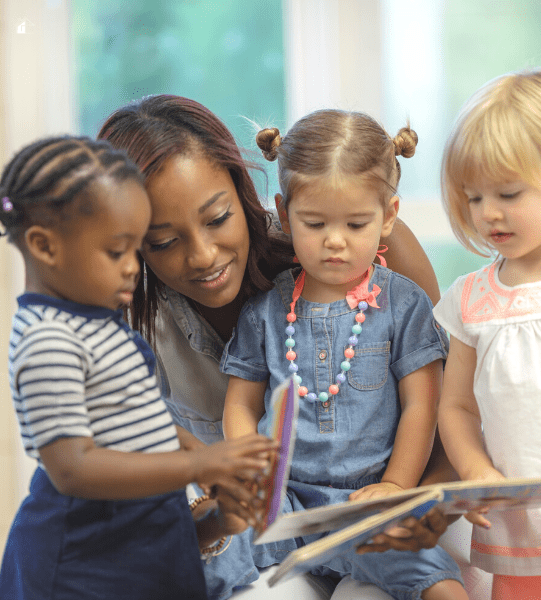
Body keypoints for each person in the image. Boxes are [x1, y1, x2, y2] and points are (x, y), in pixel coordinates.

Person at [97, 95, 486, 600]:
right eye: (164, 242)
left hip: (392, 500)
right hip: (281, 512)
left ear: (246, 197)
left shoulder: (385, 268)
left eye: (217, 219)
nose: (203, 256)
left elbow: (440, 408)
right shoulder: (148, 326)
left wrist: (400, 496)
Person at [0, 135, 277, 600]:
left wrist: (214, 492)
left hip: (144, 560)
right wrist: (200, 460)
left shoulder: (103, 324)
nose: (134, 268)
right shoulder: (48, 339)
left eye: (138, 250)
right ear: (44, 247)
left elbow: (153, 426)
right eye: (117, 252)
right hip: (77, 572)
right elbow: (73, 469)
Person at [218, 109, 467, 600]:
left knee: (435, 579)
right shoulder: (265, 312)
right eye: (314, 223)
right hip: (286, 503)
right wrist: (253, 477)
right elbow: (240, 405)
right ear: (284, 213)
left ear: (389, 216)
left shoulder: (403, 304)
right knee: (205, 560)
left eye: (356, 223)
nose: (335, 240)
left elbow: (423, 404)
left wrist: (397, 486)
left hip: (367, 502)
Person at [434, 68, 541, 599]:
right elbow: (456, 408)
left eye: (507, 192)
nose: (488, 214)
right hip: (519, 534)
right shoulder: (470, 299)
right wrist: (475, 469)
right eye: (474, 197)